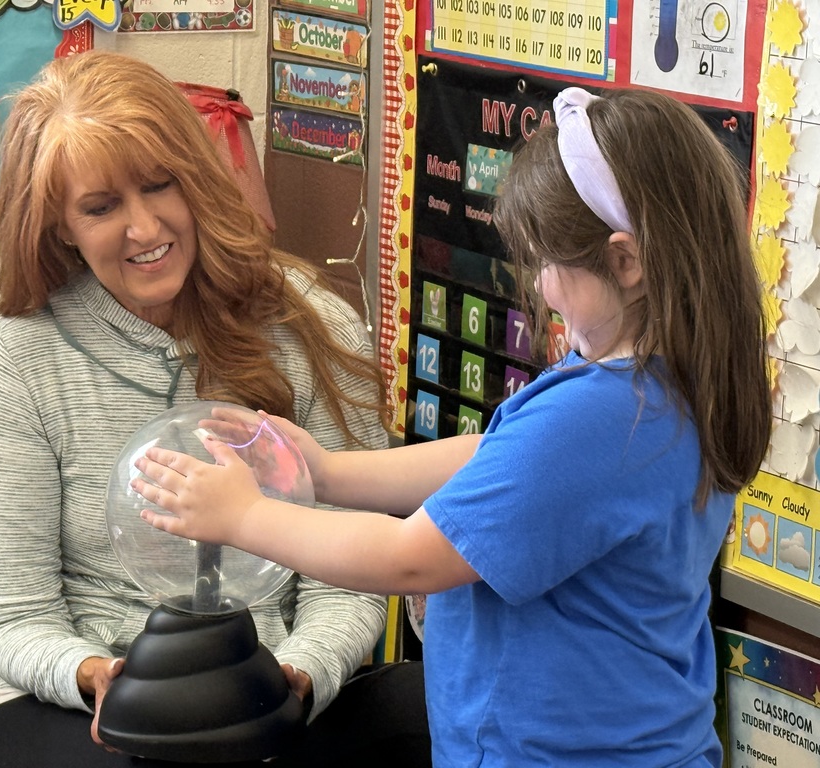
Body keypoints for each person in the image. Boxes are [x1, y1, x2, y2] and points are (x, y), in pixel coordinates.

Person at [136, 86, 772, 767]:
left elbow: (407, 557)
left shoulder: (603, 416)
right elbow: (499, 458)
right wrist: (330, 472)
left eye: (549, 264)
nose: (544, 290)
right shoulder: (664, 377)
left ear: (626, 261)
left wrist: (242, 517)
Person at [0, 50, 430, 768]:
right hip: (79, 705)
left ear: (197, 178)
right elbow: (17, 618)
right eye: (101, 206)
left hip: (270, 690)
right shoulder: (19, 363)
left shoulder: (312, 328)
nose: (144, 229)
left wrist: (293, 680)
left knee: (422, 710)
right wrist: (99, 679)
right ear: (60, 225)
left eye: (159, 186)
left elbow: (345, 583)